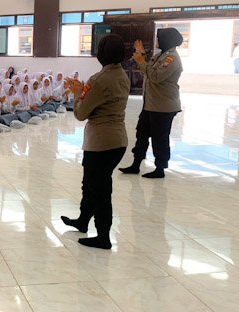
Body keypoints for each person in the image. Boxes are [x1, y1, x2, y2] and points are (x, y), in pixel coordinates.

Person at [60, 34, 130, 250]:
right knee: (91, 184)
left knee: (99, 189)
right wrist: (83, 91)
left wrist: (77, 94)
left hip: (101, 143)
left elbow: (81, 113)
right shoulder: (122, 75)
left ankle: (103, 236)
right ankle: (83, 221)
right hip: (117, 140)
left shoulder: (99, 79)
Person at [120, 28, 184, 179]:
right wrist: (141, 56)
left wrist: (142, 61)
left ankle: (160, 168)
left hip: (163, 106)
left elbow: (155, 76)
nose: (156, 40)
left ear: (167, 39)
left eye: (158, 38)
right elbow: (148, 71)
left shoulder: (172, 58)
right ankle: (136, 164)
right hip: (150, 104)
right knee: (141, 134)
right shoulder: (160, 56)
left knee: (160, 138)